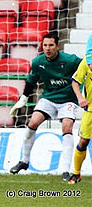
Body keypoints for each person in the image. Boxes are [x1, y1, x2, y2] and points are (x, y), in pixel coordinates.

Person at [9, 32, 82, 181]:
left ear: (58, 46)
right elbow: (31, 81)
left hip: (68, 99)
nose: (47, 48)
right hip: (48, 98)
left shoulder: (70, 60)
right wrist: (23, 99)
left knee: (67, 127)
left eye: (51, 45)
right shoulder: (38, 62)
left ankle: (65, 170)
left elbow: (87, 65)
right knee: (33, 122)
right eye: (45, 45)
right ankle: (24, 161)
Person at [68, 34, 92, 184]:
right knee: (83, 141)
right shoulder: (85, 63)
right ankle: (76, 173)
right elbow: (75, 81)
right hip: (90, 110)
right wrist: (80, 98)